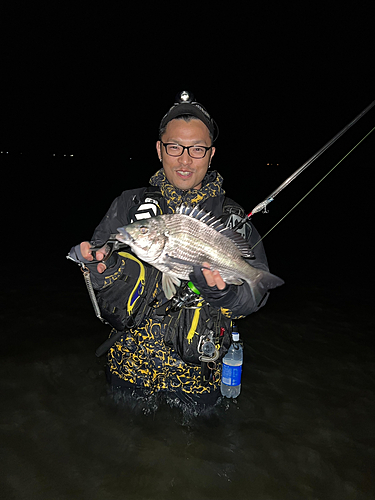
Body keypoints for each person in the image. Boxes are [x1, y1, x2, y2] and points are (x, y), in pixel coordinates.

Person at [68, 91, 277, 409]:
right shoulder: (129, 204)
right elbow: (102, 293)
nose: (185, 159)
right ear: (159, 149)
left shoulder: (234, 219)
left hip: (198, 382)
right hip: (129, 371)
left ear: (211, 153)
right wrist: (101, 270)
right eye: (175, 147)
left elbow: (254, 298)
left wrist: (226, 295)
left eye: (197, 149)